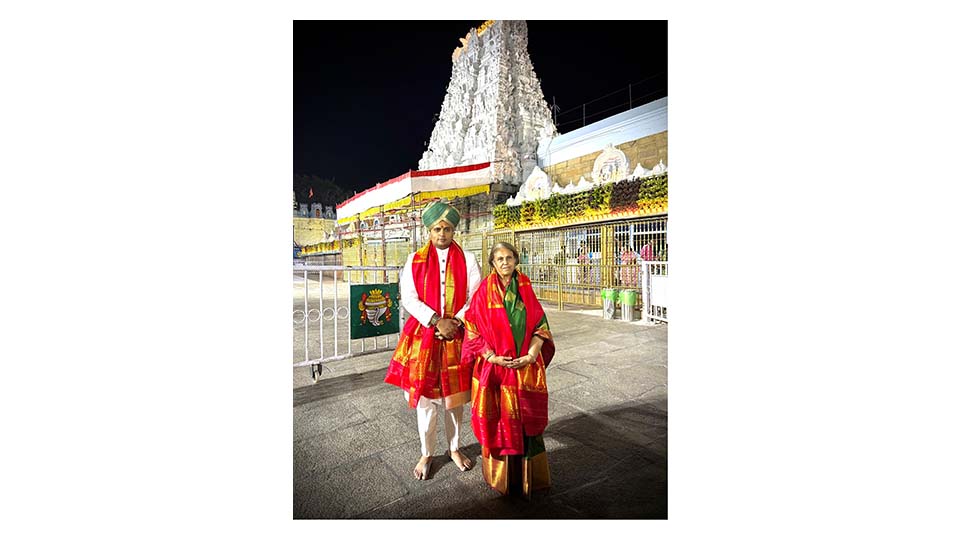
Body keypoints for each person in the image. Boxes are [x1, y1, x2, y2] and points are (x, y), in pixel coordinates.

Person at [384, 201, 482, 480]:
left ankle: (453, 448)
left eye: (447, 229)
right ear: (429, 230)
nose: (442, 234)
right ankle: (426, 452)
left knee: (455, 400)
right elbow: (409, 297)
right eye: (437, 228)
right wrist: (436, 320)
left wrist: (456, 321)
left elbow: (474, 297)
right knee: (426, 400)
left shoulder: (468, 260)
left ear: (454, 231)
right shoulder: (414, 259)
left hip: (456, 335)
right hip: (423, 335)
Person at [462, 241, 556, 497]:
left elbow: (540, 323)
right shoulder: (483, 291)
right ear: (492, 263)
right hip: (495, 371)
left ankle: (530, 478)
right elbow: (472, 328)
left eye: (509, 258)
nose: (505, 263)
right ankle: (502, 479)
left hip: (524, 367)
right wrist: (492, 357)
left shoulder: (525, 286)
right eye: (499, 259)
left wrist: (531, 355)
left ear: (516, 260)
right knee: (498, 422)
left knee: (526, 424)